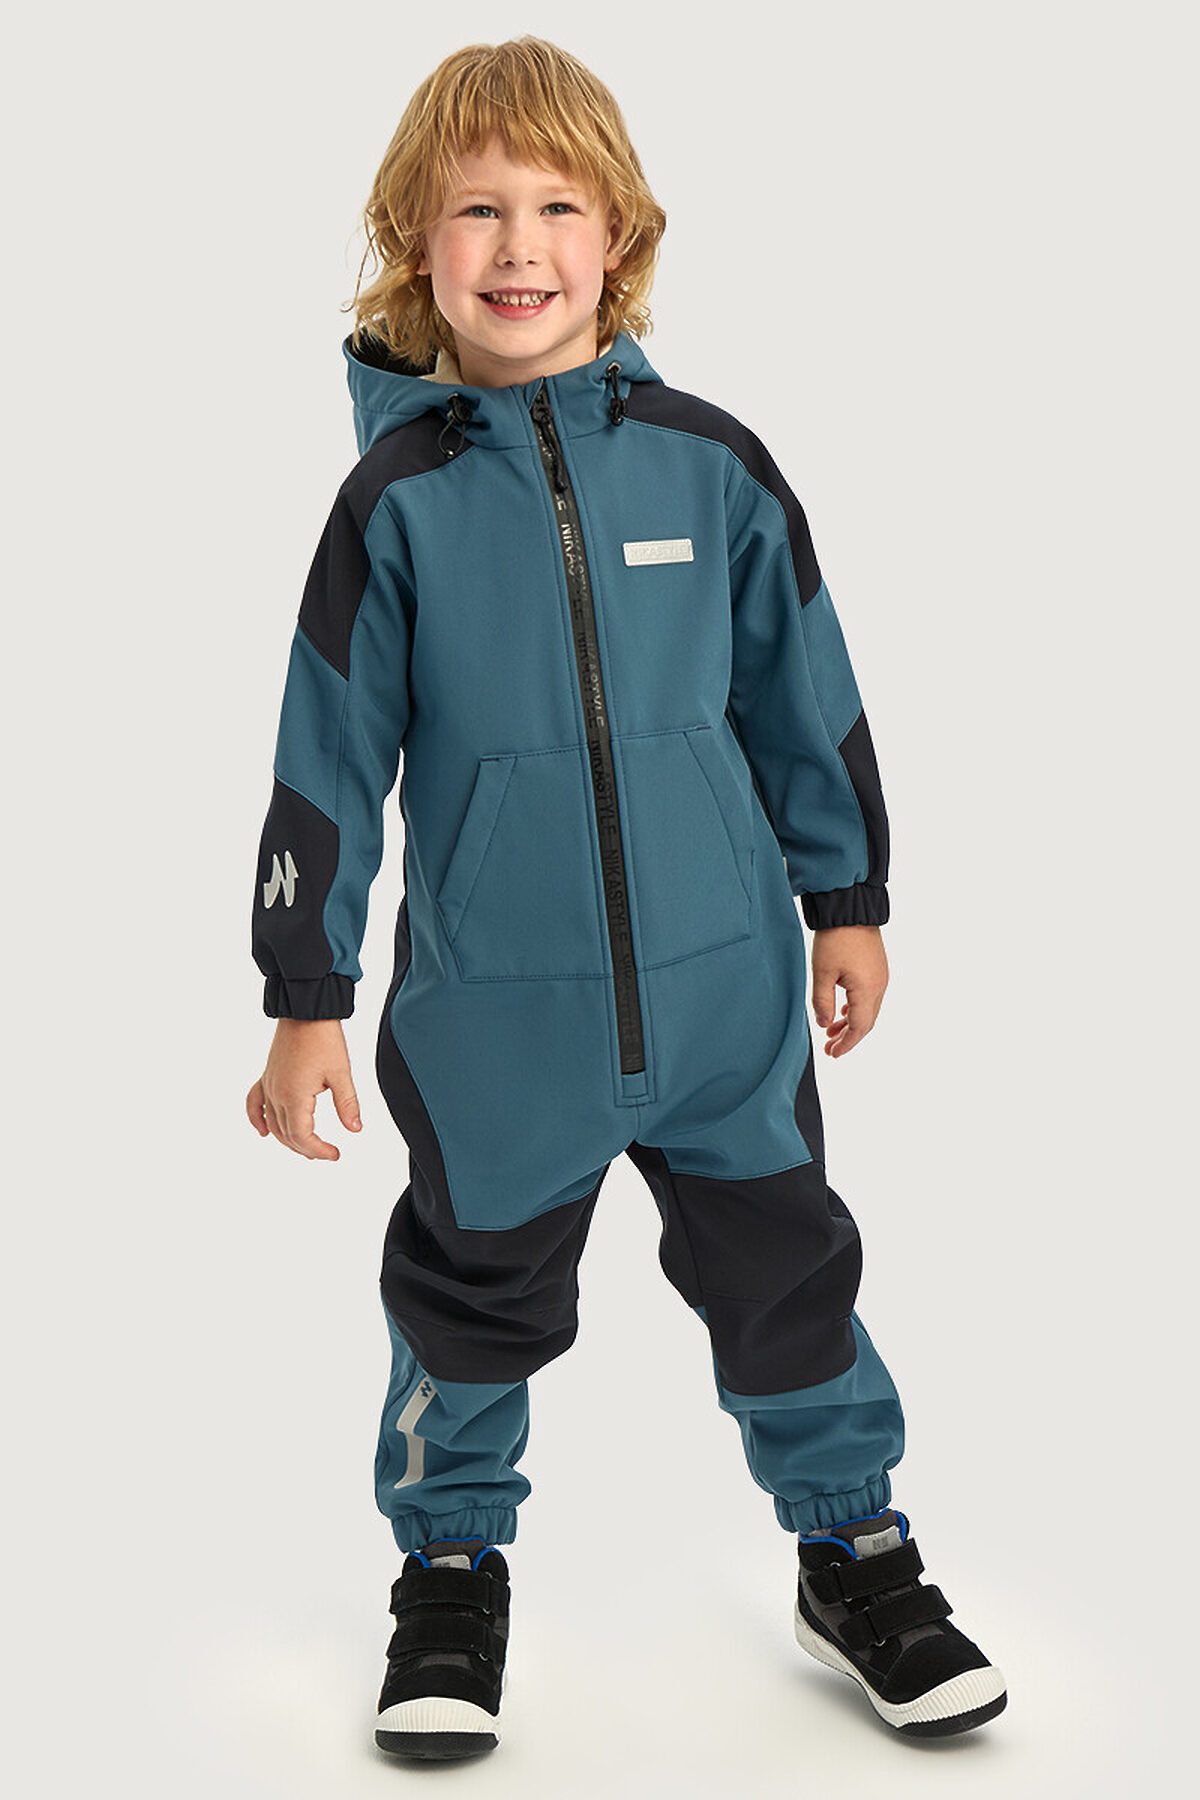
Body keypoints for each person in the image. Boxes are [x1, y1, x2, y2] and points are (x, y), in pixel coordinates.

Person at [245, 34, 1006, 1762]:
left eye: (557, 207)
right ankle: (450, 1572)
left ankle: (854, 1550)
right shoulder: (395, 506)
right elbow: (325, 758)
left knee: (791, 1279)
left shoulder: (709, 466)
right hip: (497, 1027)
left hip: (728, 1001)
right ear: (416, 242)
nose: (519, 246)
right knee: (468, 1303)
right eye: (477, 210)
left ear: (621, 237)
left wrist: (847, 896)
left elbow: (804, 691)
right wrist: (305, 995)